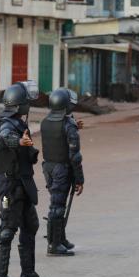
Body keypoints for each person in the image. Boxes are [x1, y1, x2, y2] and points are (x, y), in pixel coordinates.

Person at [0, 81, 45, 277]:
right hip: (10, 185)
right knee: (7, 229)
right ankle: (0, 276)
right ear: (19, 104)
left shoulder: (19, 123)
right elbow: (5, 137)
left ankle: (28, 273)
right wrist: (19, 142)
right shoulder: (6, 124)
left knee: (31, 226)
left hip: (23, 183)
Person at [41, 88, 85, 257]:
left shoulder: (45, 122)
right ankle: (54, 244)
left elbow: (57, 138)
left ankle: (61, 239)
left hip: (48, 167)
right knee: (57, 207)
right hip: (62, 168)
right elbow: (75, 156)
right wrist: (80, 179)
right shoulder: (68, 125)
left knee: (58, 203)